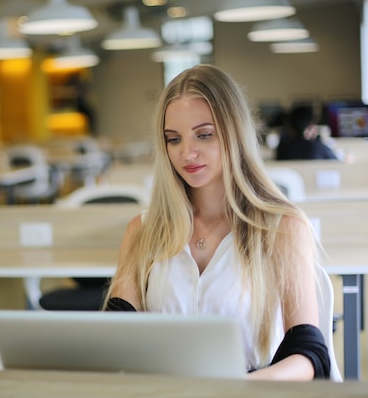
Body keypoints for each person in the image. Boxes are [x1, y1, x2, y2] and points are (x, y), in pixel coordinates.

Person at [103, 65, 330, 381]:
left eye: (204, 134)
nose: (187, 153)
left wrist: (238, 389)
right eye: (173, 139)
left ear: (234, 133)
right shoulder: (143, 230)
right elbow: (114, 334)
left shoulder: (283, 229)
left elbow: (310, 356)